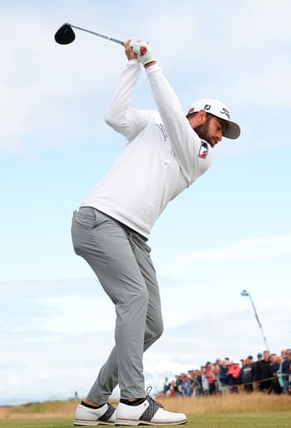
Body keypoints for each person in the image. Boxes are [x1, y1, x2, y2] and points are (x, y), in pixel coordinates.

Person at [72, 40, 241, 427]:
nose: (219, 137)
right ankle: (132, 399)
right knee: (133, 299)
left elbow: (173, 116)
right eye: (218, 127)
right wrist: (134, 65)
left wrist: (152, 64)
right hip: (100, 219)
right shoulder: (156, 123)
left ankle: (94, 403)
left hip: (133, 235)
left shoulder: (200, 155)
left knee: (151, 324)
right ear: (199, 115)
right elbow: (116, 117)